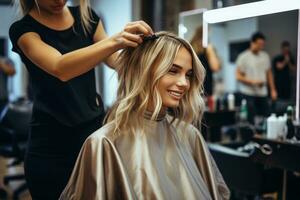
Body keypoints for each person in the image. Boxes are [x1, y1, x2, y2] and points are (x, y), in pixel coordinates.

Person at [9, 0, 153, 199]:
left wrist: (145, 53)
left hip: (92, 135)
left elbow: (117, 62)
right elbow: (60, 67)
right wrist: (116, 40)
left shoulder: (88, 18)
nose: (60, 0)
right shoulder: (23, 30)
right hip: (50, 148)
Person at [59, 32, 230, 200]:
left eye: (189, 75)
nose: (184, 83)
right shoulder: (104, 143)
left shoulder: (189, 134)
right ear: (145, 71)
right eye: (173, 70)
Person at [236, 32, 277, 123]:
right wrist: (253, 82)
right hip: (248, 93)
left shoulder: (265, 56)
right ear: (252, 43)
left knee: (267, 116)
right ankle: (251, 135)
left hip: (262, 92)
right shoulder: (243, 57)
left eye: (262, 44)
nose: (261, 46)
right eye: (259, 44)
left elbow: (269, 74)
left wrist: (273, 89)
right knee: (250, 118)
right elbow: (238, 76)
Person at [190, 26, 221, 96]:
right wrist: (210, 50)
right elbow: (215, 67)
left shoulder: (190, 47)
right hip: (205, 87)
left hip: (192, 87)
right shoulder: (207, 48)